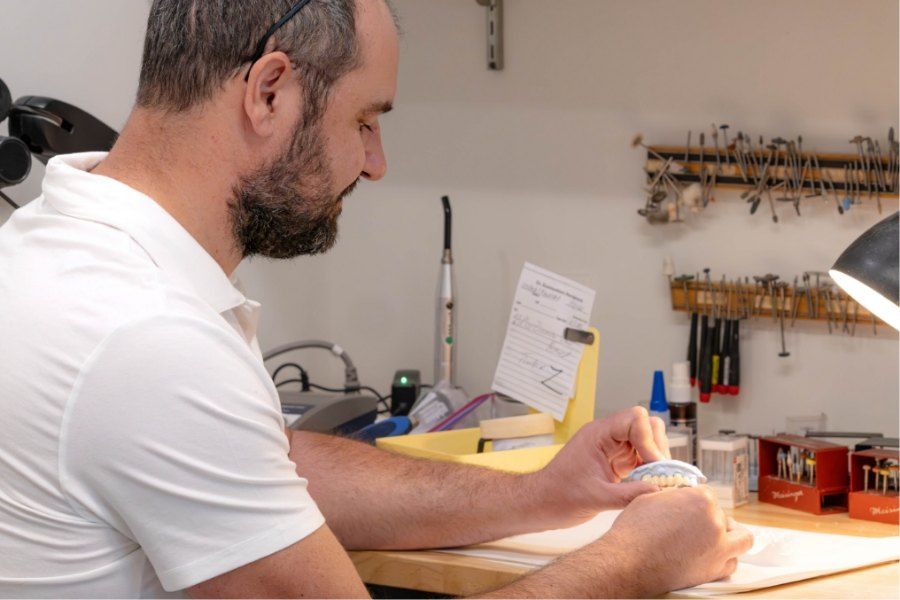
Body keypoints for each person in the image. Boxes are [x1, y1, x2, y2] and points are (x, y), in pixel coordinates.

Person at [0, 0, 752, 597]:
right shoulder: (146, 338)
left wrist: (543, 493)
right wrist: (635, 563)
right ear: (269, 91)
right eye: (364, 121)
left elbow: (265, 468)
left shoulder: (57, 250)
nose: (376, 162)